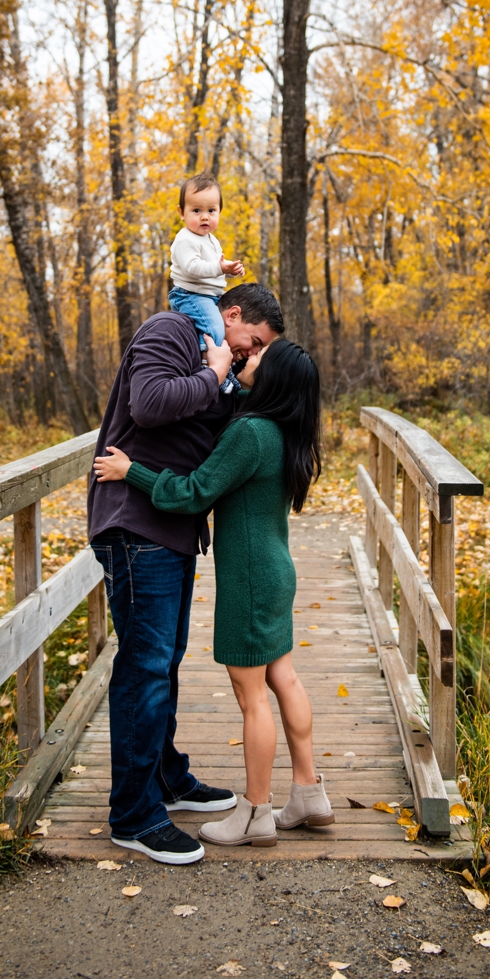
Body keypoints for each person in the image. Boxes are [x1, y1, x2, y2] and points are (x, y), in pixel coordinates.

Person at [93, 338, 334, 847]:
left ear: (273, 382)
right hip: (276, 571)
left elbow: (194, 492)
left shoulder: (250, 432)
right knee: (284, 680)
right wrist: (218, 372)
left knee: (252, 700)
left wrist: (128, 470)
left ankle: (256, 812)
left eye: (259, 359)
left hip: (248, 580)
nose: (248, 358)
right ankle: (310, 793)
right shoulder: (283, 430)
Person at [86, 281, 285, 865]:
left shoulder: (220, 367)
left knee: (163, 661)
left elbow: (215, 430)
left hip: (170, 526)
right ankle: (133, 815)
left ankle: (168, 779)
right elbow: (147, 404)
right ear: (232, 316)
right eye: (254, 341)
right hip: (134, 526)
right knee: (144, 667)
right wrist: (217, 367)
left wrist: (233, 379)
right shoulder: (169, 331)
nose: (250, 353)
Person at [170, 172, 245, 355]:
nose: (205, 217)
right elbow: (193, 267)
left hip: (211, 296)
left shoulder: (211, 239)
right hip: (190, 296)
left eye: (211, 211)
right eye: (197, 211)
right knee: (214, 327)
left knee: (233, 326)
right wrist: (219, 268)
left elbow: (214, 265)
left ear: (219, 211)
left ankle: (227, 365)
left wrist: (229, 269)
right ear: (181, 212)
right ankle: (206, 364)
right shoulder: (185, 239)